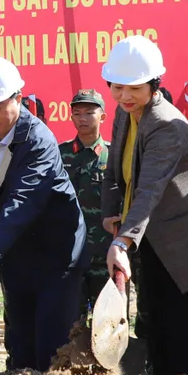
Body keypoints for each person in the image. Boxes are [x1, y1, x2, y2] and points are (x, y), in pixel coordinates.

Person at [101, 36, 188, 375]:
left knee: (185, 352)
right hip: (157, 244)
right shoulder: (125, 113)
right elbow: (116, 172)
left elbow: (149, 190)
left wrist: (122, 242)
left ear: (153, 83)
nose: (125, 95)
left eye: (134, 87)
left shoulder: (166, 124)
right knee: (158, 335)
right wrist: (110, 211)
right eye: (117, 87)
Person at [0, 58, 86, 371]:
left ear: (18, 98)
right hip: (16, 254)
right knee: (19, 345)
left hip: (56, 256)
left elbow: (22, 201)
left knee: (51, 348)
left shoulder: (38, 140)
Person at [58, 89, 113, 313]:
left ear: (102, 117)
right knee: (70, 322)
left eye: (89, 112)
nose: (82, 118)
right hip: (68, 253)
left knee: (106, 322)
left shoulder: (113, 155)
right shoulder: (58, 154)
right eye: (77, 113)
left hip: (103, 253)